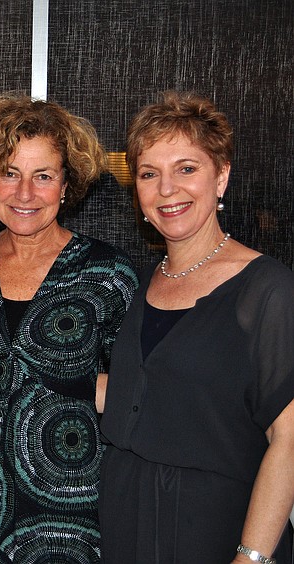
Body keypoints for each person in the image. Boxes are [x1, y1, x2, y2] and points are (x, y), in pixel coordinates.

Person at [0, 93, 138, 562]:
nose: (25, 193)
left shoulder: (106, 274)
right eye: (10, 173)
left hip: (71, 514)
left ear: (66, 185)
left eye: (42, 176)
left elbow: (137, 391)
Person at [99, 92, 294, 563]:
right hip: (126, 523)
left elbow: (289, 441)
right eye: (149, 174)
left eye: (186, 168)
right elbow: (146, 394)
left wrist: (251, 557)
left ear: (221, 176)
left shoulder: (267, 290)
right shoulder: (143, 284)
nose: (167, 189)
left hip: (216, 531)